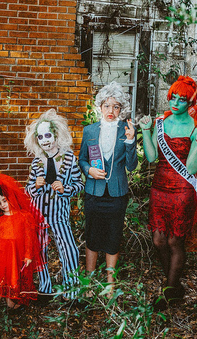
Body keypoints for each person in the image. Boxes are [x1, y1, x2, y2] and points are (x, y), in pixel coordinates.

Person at [138, 76, 197, 310]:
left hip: (183, 188)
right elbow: (152, 157)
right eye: (173, 97)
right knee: (158, 240)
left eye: (182, 99)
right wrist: (146, 131)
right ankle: (174, 285)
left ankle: (169, 290)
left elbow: (193, 168)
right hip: (159, 186)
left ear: (190, 102)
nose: (175, 102)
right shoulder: (160, 123)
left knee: (175, 240)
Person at [78, 82, 138, 290]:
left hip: (116, 194)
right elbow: (82, 159)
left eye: (116, 107)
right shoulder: (90, 130)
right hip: (94, 192)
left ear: (121, 109)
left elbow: (131, 166)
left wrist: (130, 142)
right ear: (99, 107)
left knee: (113, 236)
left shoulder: (127, 130)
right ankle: (89, 278)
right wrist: (89, 170)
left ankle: (110, 282)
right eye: (106, 105)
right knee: (92, 235)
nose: (110, 111)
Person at [24, 109, 84, 303]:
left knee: (69, 250)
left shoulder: (69, 158)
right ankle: (45, 288)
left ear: (56, 135)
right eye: (40, 137)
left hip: (59, 215)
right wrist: (35, 186)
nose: (45, 140)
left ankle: (72, 290)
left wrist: (65, 189)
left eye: (48, 135)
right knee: (40, 251)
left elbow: (79, 184)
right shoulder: (36, 162)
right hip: (39, 215)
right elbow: (28, 191)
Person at [0, 174, 45, 315]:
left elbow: (29, 237)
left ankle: (10, 303)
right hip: (0, 254)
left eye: (5, 200)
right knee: (2, 281)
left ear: (11, 197)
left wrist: (28, 255)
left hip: (15, 254)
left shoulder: (23, 216)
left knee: (12, 278)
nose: (3, 205)